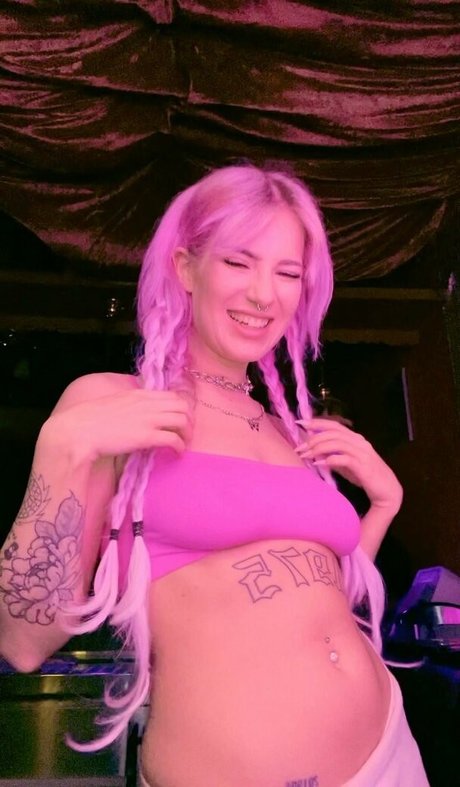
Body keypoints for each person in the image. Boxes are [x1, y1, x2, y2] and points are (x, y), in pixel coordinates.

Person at [0, 164, 429, 787]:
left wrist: (383, 506)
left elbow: (308, 598)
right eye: (238, 262)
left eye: (287, 273)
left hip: (389, 753)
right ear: (185, 268)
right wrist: (60, 450)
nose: (264, 294)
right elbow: (23, 640)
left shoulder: (290, 432)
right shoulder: (115, 403)